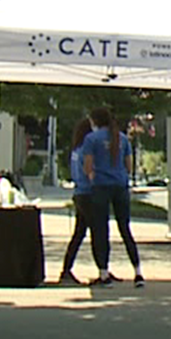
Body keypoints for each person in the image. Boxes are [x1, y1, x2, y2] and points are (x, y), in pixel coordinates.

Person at [80, 105, 144, 286]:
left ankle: (104, 272)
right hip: (120, 185)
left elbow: (87, 165)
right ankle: (138, 271)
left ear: (95, 121)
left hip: (101, 185)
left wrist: (92, 177)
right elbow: (129, 165)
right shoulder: (122, 139)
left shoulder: (91, 139)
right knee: (125, 229)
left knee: (101, 230)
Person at [55, 116, 98, 285]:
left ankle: (66, 270)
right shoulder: (86, 151)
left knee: (79, 234)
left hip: (79, 193)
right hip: (88, 193)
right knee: (97, 232)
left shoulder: (76, 150)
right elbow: (90, 171)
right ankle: (102, 271)